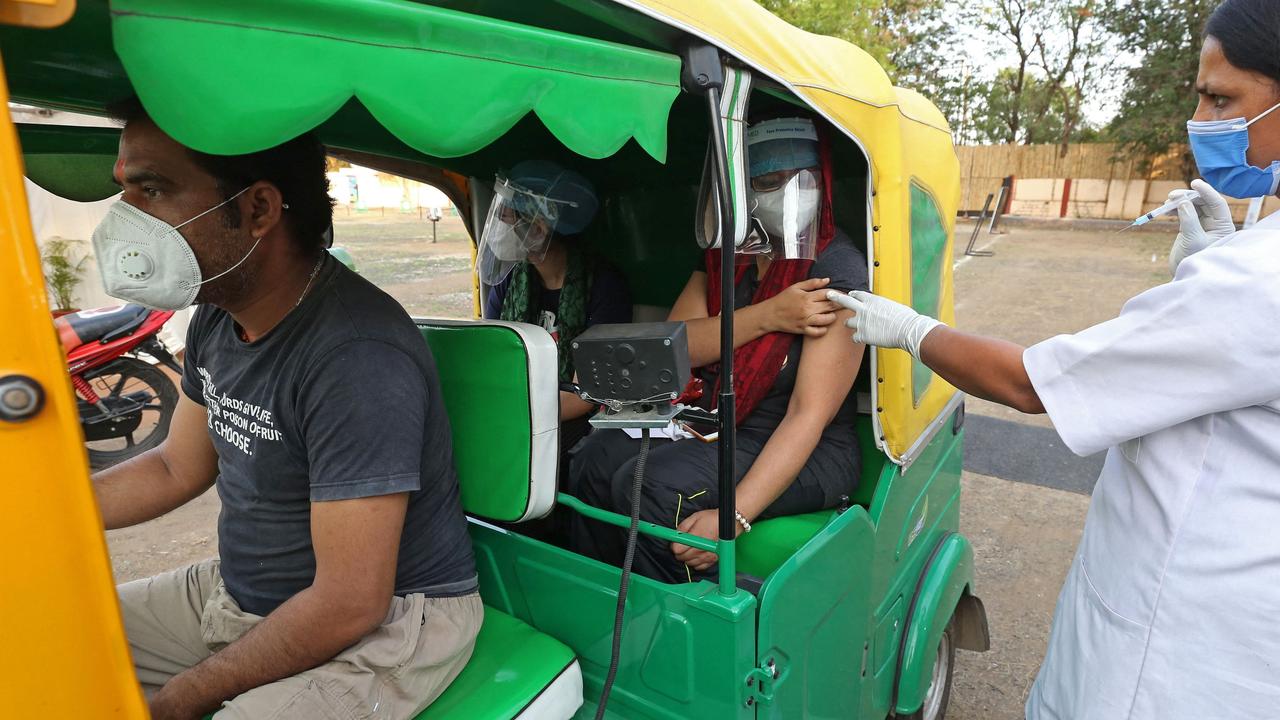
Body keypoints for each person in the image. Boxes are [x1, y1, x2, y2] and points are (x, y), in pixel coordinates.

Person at [829, 2, 1280, 717]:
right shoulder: (1254, 267)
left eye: (1222, 98)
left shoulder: (1261, 282)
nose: (1201, 119)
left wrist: (911, 329)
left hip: (1177, 654)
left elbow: (1030, 383)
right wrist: (1221, 264)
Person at [89, 98, 480, 720]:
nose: (125, 218)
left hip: (390, 624)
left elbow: (351, 601)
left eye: (153, 189)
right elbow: (174, 468)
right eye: (125, 190)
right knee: (41, 634)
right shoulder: (218, 315)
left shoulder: (355, 356)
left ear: (257, 209)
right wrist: (41, 508)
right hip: (243, 596)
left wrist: (186, 693)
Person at [570, 116, 868, 584]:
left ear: (821, 181)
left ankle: (671, 627)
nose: (786, 194)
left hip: (806, 446)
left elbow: (808, 415)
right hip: (719, 422)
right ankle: (610, 597)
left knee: (650, 485)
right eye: (767, 183)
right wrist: (769, 315)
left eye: (799, 181)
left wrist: (735, 516)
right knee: (593, 458)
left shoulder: (838, 270)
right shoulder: (729, 256)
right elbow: (672, 350)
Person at [478, 160, 631, 450]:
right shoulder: (509, 282)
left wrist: (516, 419)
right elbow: (491, 359)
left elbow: (585, 394)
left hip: (569, 418)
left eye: (507, 216)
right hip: (515, 410)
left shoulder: (604, 286)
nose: (499, 224)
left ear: (538, 229)